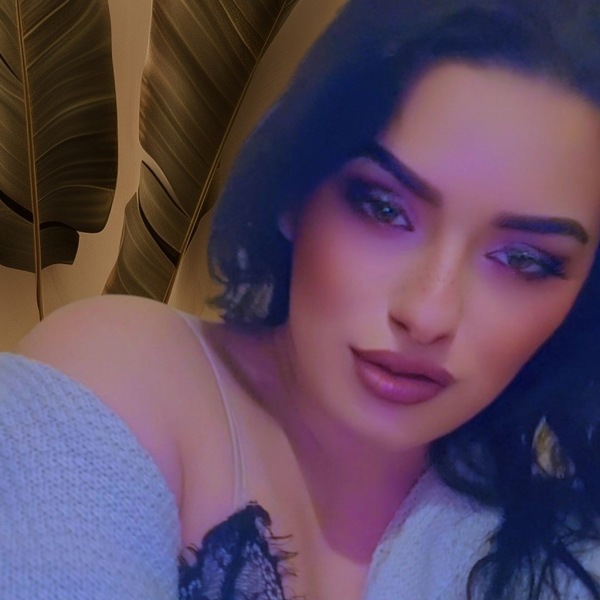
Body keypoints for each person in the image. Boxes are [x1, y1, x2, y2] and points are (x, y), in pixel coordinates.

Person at [2, 0, 600, 598]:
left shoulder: (558, 546)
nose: (426, 315)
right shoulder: (126, 377)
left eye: (524, 260)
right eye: (383, 208)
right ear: (296, 188)